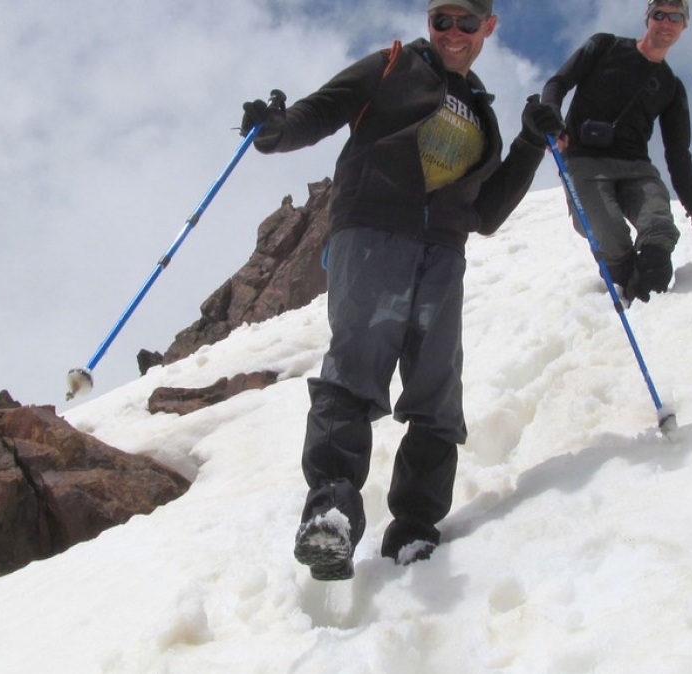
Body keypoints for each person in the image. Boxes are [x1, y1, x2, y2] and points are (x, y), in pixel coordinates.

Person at [240, 0, 562, 581]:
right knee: (355, 368)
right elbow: (324, 110)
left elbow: (485, 213)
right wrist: (278, 129)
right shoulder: (392, 66)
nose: (453, 33)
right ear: (429, 23)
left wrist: (528, 146)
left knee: (437, 393)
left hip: (443, 251)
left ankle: (414, 529)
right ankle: (331, 516)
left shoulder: (484, 118)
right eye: (442, 20)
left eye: (467, 22)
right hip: (373, 231)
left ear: (488, 27)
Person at [540, 0, 692, 304]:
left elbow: (678, 154)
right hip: (584, 160)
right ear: (648, 18)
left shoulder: (670, 87)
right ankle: (629, 289)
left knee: (659, 226)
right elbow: (558, 83)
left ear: (683, 25)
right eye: (659, 14)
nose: (666, 22)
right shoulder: (605, 46)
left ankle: (656, 299)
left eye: (675, 17)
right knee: (607, 234)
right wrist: (552, 118)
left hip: (635, 167)